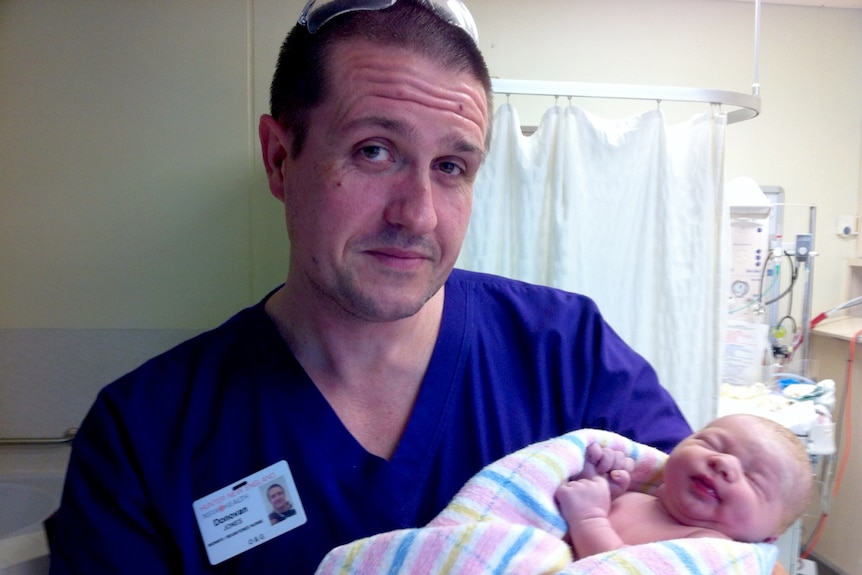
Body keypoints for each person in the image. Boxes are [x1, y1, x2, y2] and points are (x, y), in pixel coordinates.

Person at [46, 1, 692, 573]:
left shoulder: (569, 358)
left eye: (451, 167)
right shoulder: (148, 435)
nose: (417, 215)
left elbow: (718, 543)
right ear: (279, 158)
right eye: (373, 151)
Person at [556, 414, 814, 559]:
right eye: (712, 444)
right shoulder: (640, 493)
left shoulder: (710, 547)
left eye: (753, 478)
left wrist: (589, 519)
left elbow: (622, 566)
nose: (722, 462)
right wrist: (599, 482)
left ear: (766, 537)